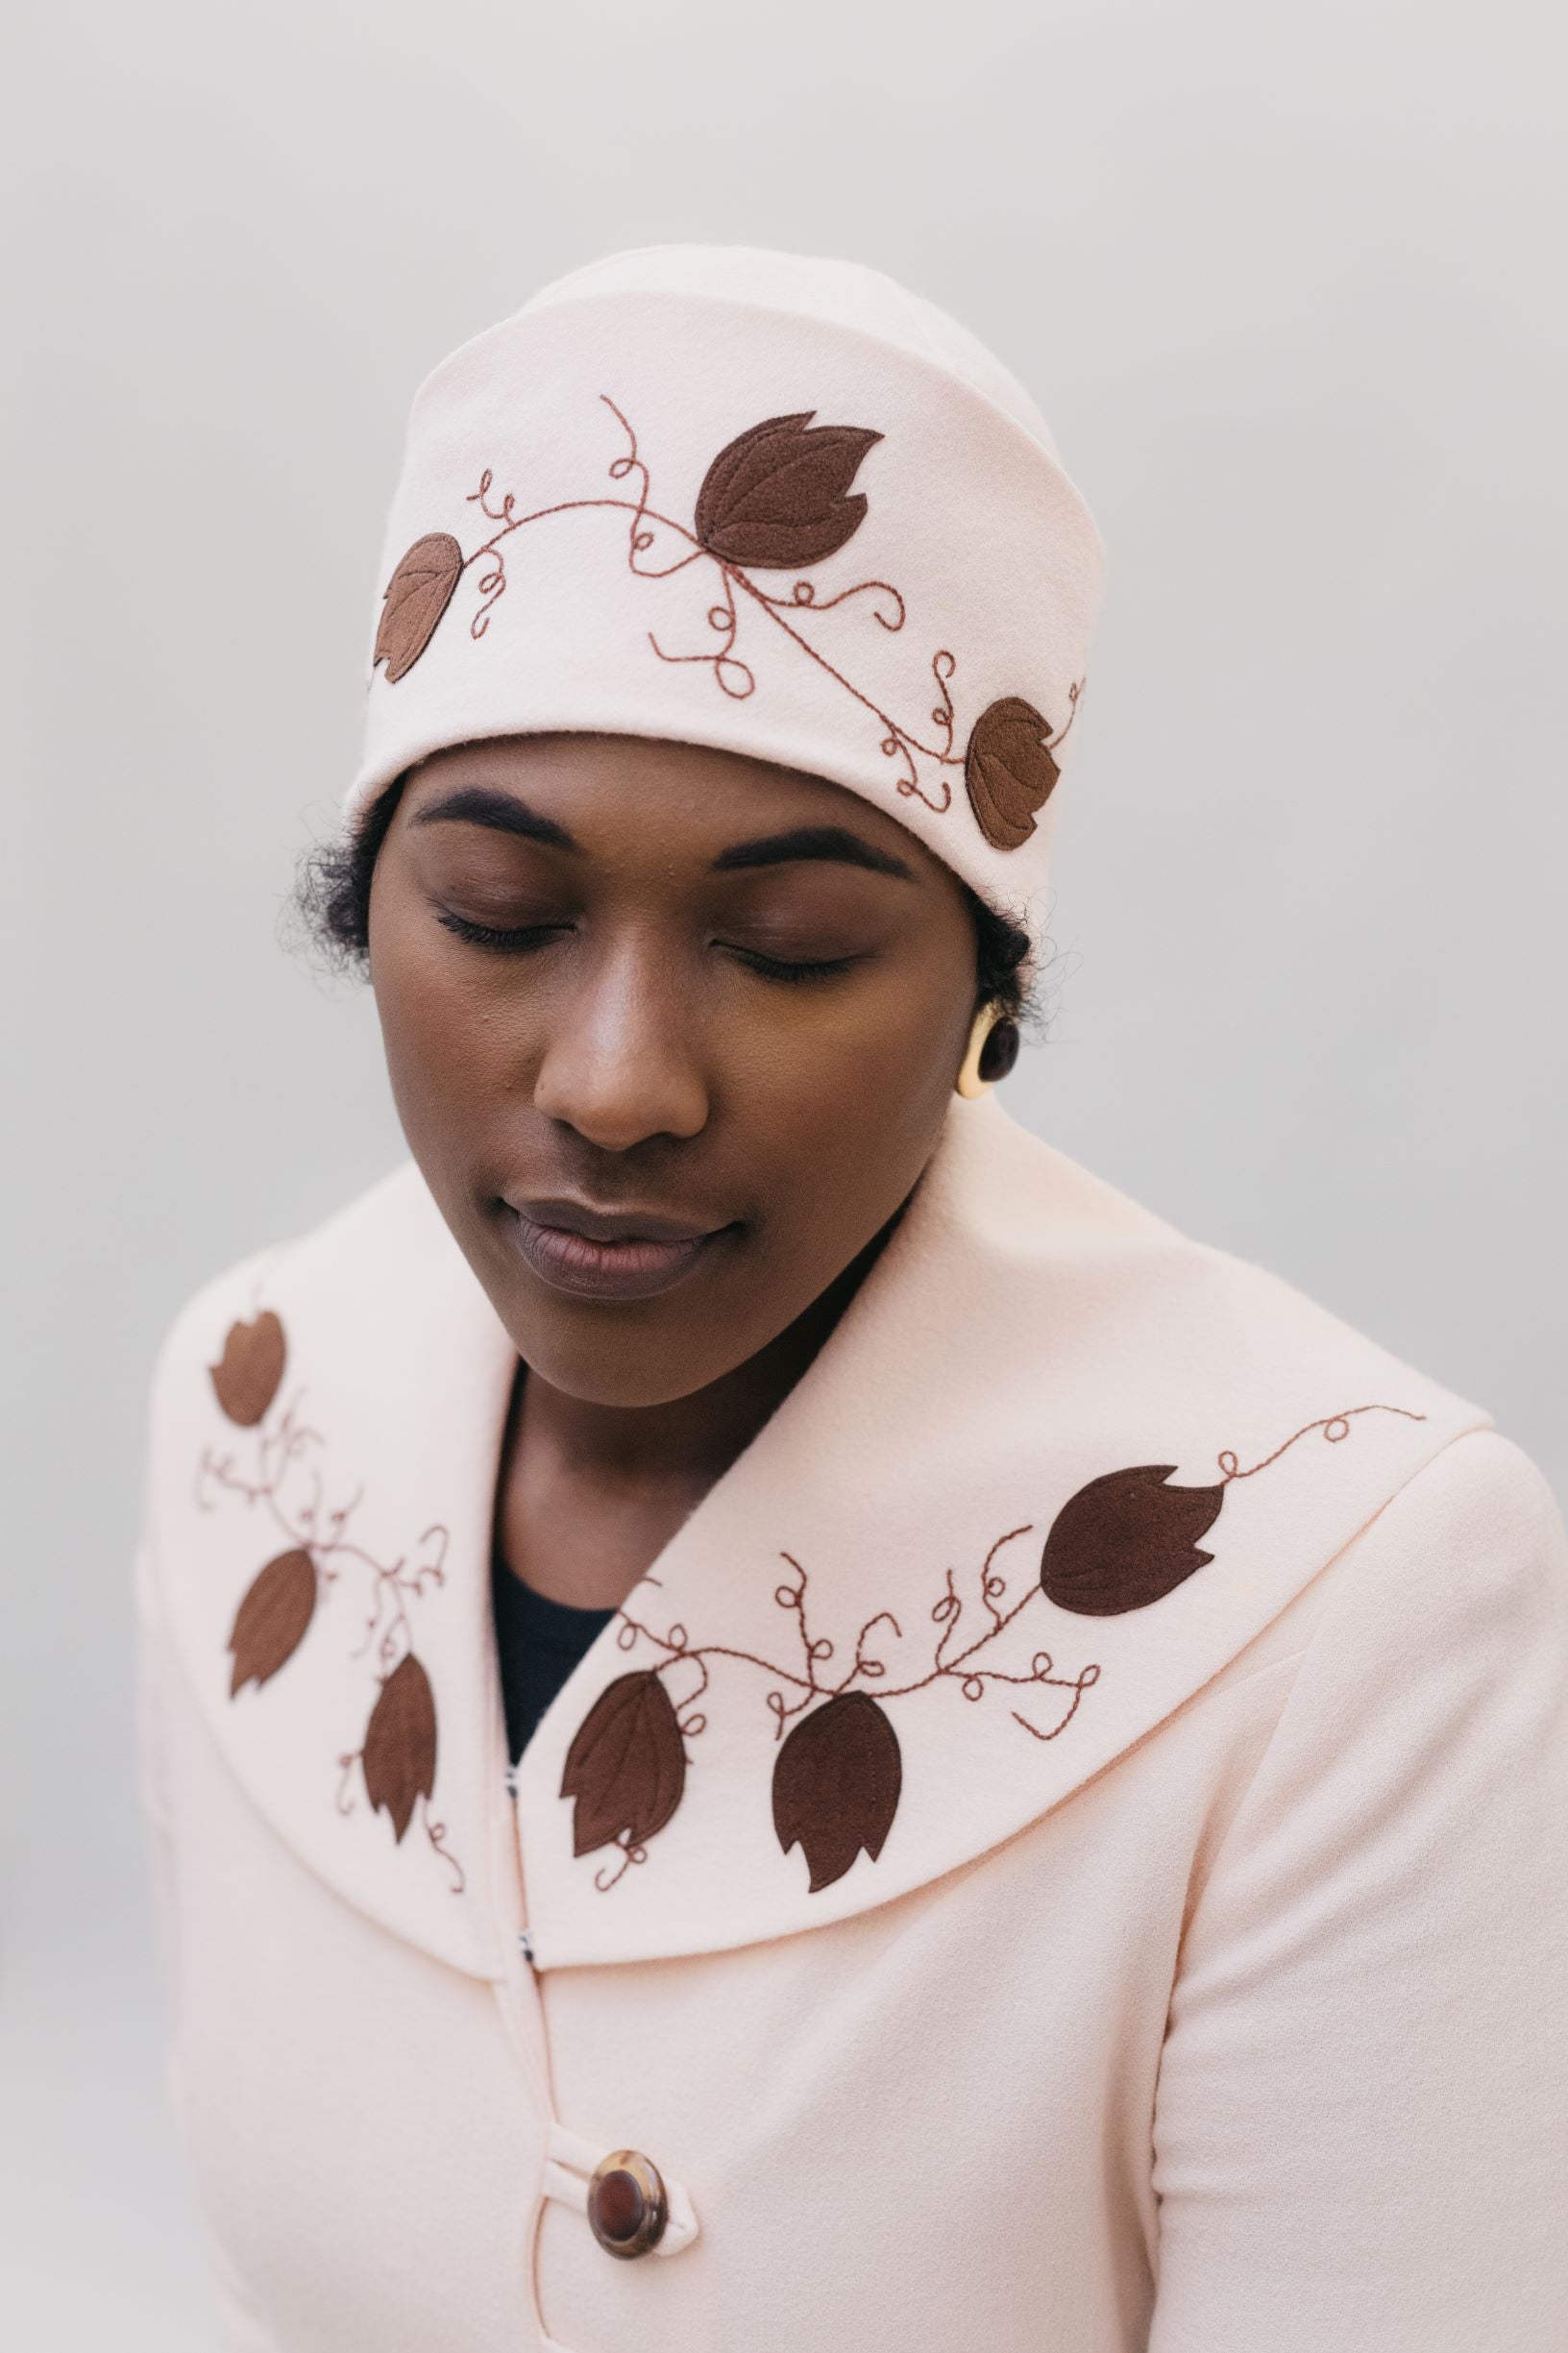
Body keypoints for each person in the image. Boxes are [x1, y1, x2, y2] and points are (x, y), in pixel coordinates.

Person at [133, 245, 1568, 2353]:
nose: (616, 1083)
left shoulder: (1351, 1587)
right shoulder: (253, 1414)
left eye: (793, 943)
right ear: (373, 910)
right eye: (500, 912)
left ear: (986, 992)